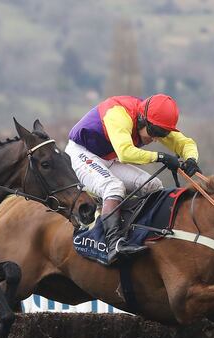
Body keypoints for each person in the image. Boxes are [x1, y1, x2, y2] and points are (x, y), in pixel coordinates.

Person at [66, 93, 202, 264]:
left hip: (108, 158)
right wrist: (161, 157)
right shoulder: (118, 114)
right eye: (155, 132)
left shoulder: (153, 120)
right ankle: (113, 244)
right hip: (82, 153)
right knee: (113, 187)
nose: (156, 138)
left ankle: (144, 235)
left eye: (163, 133)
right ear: (142, 118)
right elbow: (125, 153)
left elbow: (185, 143)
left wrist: (191, 159)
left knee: (154, 185)